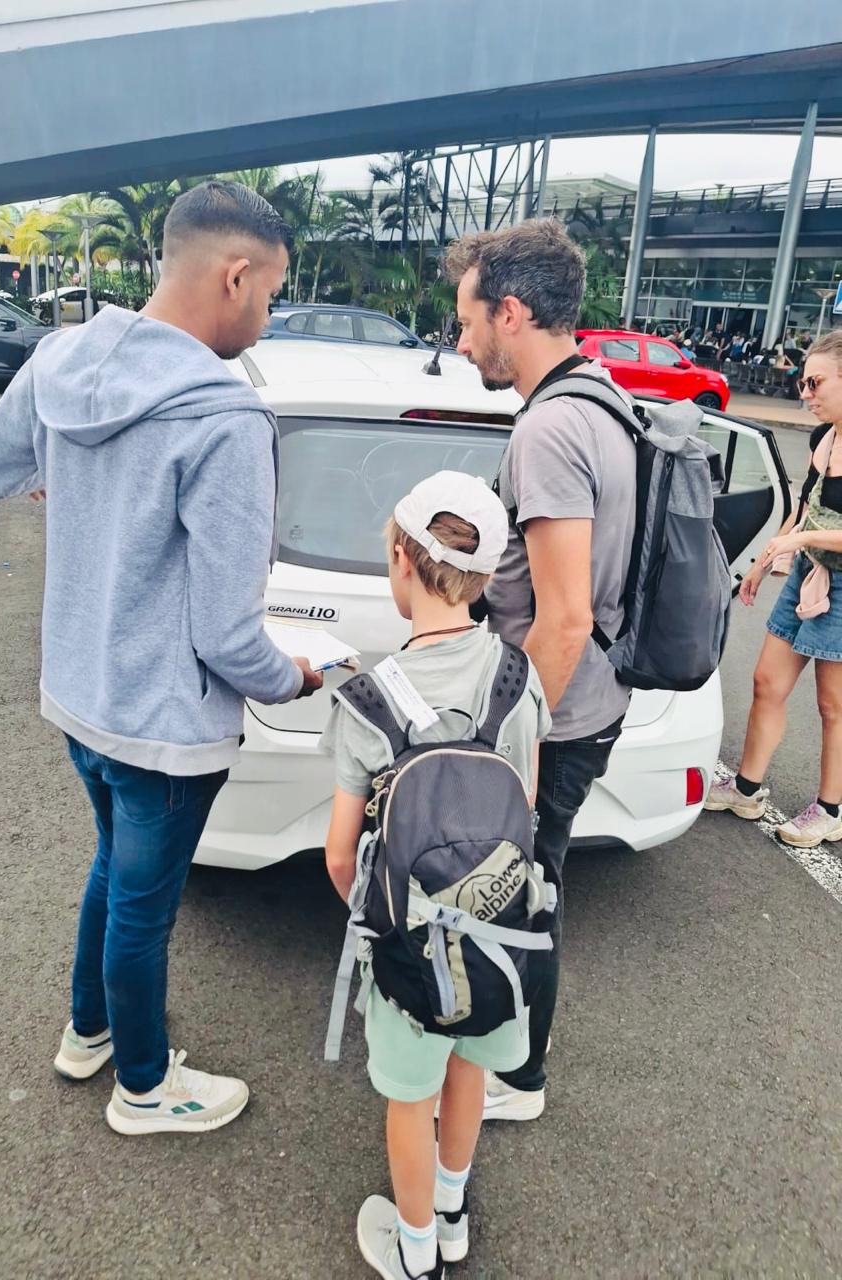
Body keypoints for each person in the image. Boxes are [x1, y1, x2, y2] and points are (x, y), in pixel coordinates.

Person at [0, 181, 324, 1135]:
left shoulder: (58, 360)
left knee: (116, 870)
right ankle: (146, 1089)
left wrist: (59, 473)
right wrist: (296, 680)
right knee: (141, 910)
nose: (269, 316)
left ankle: (90, 1033)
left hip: (80, 691)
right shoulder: (224, 418)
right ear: (235, 275)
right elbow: (229, 636)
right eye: (273, 294)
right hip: (164, 723)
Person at [322, 472, 550, 1280]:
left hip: (408, 948)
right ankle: (450, 1214)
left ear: (400, 559)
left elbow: (341, 853)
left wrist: (376, 914)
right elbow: (519, 806)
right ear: (484, 579)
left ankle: (415, 1254)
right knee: (470, 1073)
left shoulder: (365, 701)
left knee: (408, 1099)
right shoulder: (518, 684)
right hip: (497, 934)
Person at [444, 220, 636, 1122]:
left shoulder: (552, 430)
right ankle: (529, 1050)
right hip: (594, 704)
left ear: (510, 312)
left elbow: (565, 616)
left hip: (557, 718)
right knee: (538, 879)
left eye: (467, 320)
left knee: (525, 890)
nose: (462, 340)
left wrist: (506, 755)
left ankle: (518, 1080)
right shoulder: (603, 395)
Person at [705, 329, 842, 847]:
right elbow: (803, 507)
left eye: (815, 382)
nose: (804, 392)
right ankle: (746, 788)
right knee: (768, 682)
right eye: (802, 381)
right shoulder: (822, 438)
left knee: (833, 704)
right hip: (807, 573)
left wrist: (802, 537)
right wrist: (769, 558)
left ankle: (830, 808)